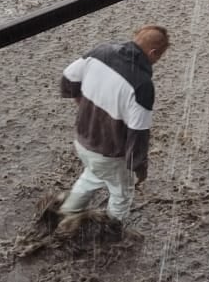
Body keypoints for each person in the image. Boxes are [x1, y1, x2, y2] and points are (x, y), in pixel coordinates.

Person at [58, 25, 170, 227]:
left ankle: (67, 213)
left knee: (93, 173)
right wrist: (139, 168)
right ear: (153, 53)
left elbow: (68, 78)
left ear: (136, 37)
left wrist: (81, 103)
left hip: (83, 141)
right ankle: (113, 231)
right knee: (122, 193)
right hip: (109, 153)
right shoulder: (142, 85)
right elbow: (138, 135)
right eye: (158, 57)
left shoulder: (100, 52)